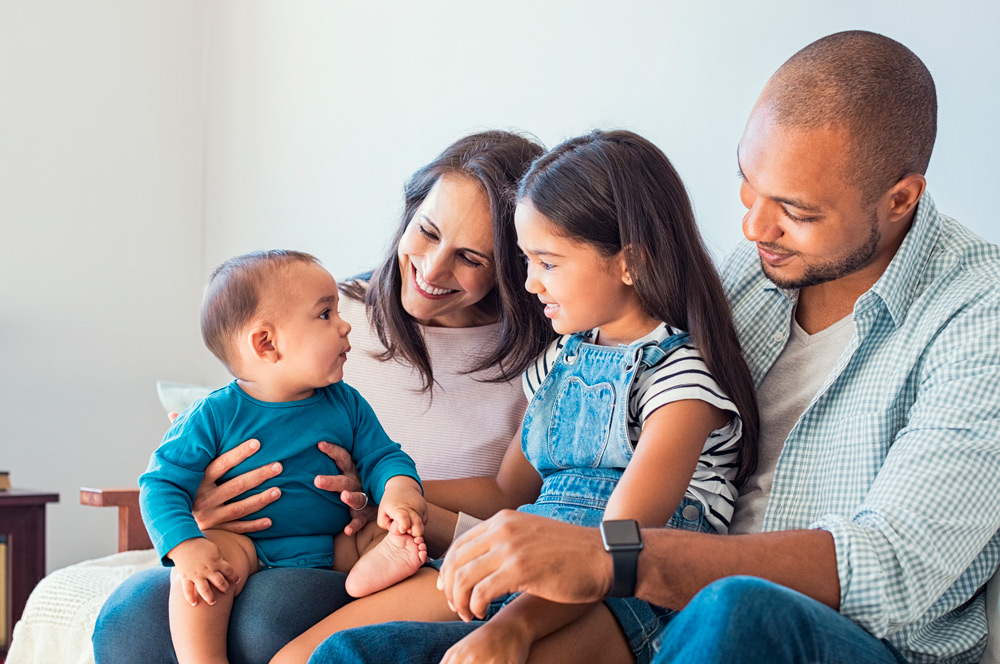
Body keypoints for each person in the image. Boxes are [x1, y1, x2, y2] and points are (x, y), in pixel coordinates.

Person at [311, 31, 1000, 664]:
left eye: (796, 210)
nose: (755, 227)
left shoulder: (977, 315)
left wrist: (613, 559)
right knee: (353, 656)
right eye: (748, 185)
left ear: (901, 199)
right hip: (658, 609)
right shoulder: (751, 278)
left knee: (735, 611)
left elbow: (893, 568)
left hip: (823, 635)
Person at [269, 129, 760, 664]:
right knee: (312, 656)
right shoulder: (560, 362)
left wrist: (513, 629)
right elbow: (507, 490)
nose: (527, 284)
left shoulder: (679, 382)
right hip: (524, 562)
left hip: (620, 596)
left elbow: (619, 548)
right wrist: (386, 486)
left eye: (546, 263)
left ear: (630, 263)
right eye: (525, 261)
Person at [92, 130, 554, 664]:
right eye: (426, 232)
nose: (431, 270)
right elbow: (196, 453)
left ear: (515, 264)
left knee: (267, 615)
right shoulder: (323, 315)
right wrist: (198, 509)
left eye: (471, 258)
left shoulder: (541, 362)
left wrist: (389, 495)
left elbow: (515, 497)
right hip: (254, 536)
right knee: (130, 614)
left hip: (376, 543)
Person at [139, 250, 430, 663]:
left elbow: (383, 457)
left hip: (336, 542)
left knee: (388, 536)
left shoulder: (346, 403)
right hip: (249, 545)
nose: (346, 325)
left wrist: (400, 495)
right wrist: (186, 548)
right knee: (205, 576)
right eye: (326, 314)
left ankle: (370, 573)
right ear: (267, 343)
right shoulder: (214, 414)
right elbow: (160, 484)